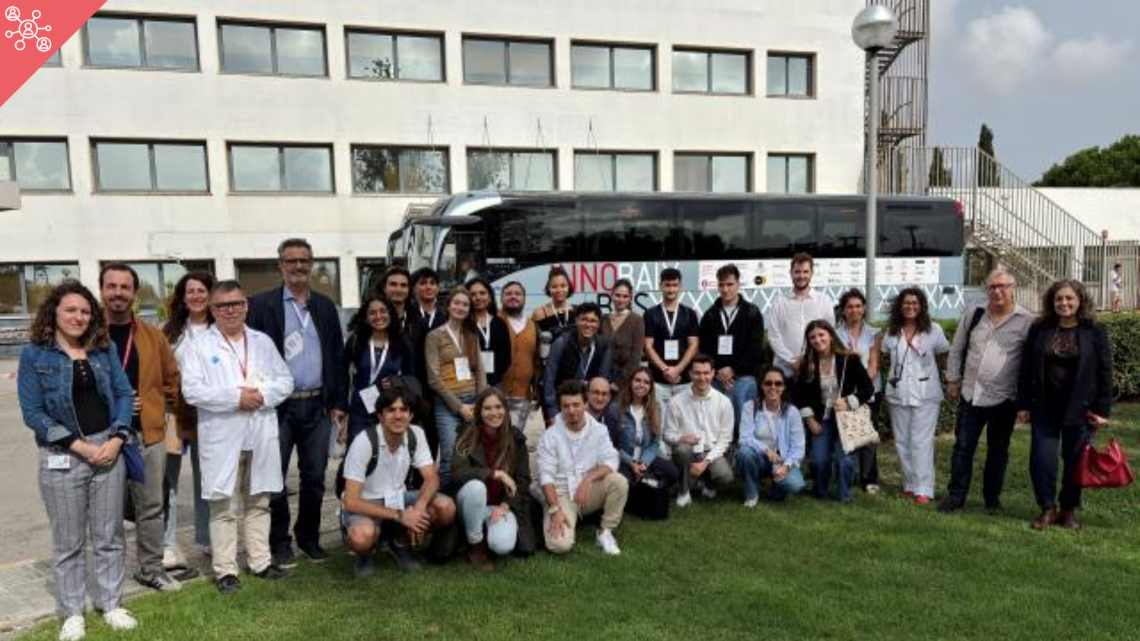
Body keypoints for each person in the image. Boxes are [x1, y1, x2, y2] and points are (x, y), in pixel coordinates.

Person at [18, 280, 139, 639]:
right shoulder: (35, 355)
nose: (79, 316)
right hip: (64, 455)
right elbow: (33, 412)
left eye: (85, 311)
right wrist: (80, 446)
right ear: (53, 312)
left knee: (109, 536)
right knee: (69, 541)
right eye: (70, 309)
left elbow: (121, 393)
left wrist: (118, 437)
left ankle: (112, 604)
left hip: (108, 450)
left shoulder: (103, 350)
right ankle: (72, 612)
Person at [181, 281, 296, 594]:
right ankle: (226, 570)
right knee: (224, 507)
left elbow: (285, 380)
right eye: (222, 305)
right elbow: (191, 390)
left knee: (259, 502)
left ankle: (260, 562)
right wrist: (236, 398)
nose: (230, 310)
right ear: (212, 310)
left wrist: (260, 394)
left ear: (246, 306)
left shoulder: (262, 342)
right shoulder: (199, 345)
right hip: (223, 437)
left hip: (259, 433)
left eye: (236, 303)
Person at [247, 238, 347, 566]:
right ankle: (280, 542)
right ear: (281, 265)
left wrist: (338, 403)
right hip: (279, 408)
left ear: (312, 264)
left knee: (315, 477)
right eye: (291, 261)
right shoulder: (262, 305)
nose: (298, 267)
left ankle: (309, 537)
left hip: (317, 405)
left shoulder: (324, 306)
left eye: (304, 261)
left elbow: (336, 355)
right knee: (274, 478)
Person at [99, 263, 183, 592]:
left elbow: (171, 379)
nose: (118, 293)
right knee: (108, 511)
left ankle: (150, 569)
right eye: (112, 286)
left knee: (151, 505)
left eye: (125, 287)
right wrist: (115, 405)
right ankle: (111, 575)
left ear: (134, 292)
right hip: (102, 436)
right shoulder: (88, 335)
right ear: (102, 290)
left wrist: (158, 407)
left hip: (147, 435)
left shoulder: (152, 335)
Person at [1019, 280, 1112, 531]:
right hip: (1044, 408)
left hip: (1081, 410)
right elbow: (1026, 368)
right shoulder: (1039, 329)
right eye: (1059, 299)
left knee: (1075, 462)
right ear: (1052, 301)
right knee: (1042, 460)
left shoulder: (1095, 331)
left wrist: (1103, 411)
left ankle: (1068, 510)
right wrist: (1023, 404)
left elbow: (1105, 372)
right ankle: (1047, 509)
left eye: (1069, 298)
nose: (1064, 303)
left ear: (1080, 300)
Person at [939, 270, 1034, 514]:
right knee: (962, 448)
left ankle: (992, 500)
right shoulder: (974, 314)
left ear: (1013, 288)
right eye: (992, 287)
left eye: (1002, 286)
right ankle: (956, 497)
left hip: (1004, 399)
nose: (997, 291)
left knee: (998, 451)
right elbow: (957, 348)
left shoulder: (1027, 321)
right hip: (971, 395)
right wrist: (952, 379)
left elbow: (1032, 363)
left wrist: (1025, 401)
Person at [340, 387, 456, 577]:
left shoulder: (415, 434)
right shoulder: (364, 441)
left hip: (399, 498)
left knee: (446, 507)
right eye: (391, 410)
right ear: (380, 415)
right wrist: (400, 516)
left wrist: (419, 507)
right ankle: (366, 552)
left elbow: (432, 478)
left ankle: (399, 542)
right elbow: (351, 501)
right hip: (366, 503)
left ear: (411, 415)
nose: (398, 416)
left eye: (403, 410)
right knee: (362, 536)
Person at [161, 271, 216, 576]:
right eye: (190, 291)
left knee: (208, 478)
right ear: (183, 297)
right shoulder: (169, 332)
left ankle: (208, 537)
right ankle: (168, 543)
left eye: (201, 290)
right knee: (168, 480)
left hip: (208, 414)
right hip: (173, 415)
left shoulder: (220, 329)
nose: (196, 296)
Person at [875, 288, 950, 505]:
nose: (910, 307)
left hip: (926, 394)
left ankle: (924, 489)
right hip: (898, 393)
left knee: (921, 442)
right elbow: (887, 356)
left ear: (922, 306)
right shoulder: (891, 332)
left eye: (915, 303)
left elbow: (943, 356)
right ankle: (909, 485)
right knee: (902, 442)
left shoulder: (933, 330)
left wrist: (945, 378)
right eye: (906, 303)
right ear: (900, 306)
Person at [538, 381, 628, 556]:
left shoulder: (599, 430)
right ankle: (563, 519)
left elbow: (611, 459)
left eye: (576, 404)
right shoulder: (549, 436)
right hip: (561, 495)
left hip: (587, 492)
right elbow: (546, 477)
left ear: (585, 404)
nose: (571, 410)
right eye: (566, 406)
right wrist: (555, 510)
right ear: (560, 408)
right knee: (559, 546)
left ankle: (605, 532)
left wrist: (589, 479)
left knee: (619, 481)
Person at [451, 388, 536, 570]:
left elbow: (523, 480)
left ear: (505, 409)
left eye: (498, 407)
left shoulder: (516, 439)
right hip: (468, 504)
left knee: (502, 546)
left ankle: (484, 533)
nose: (494, 413)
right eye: (487, 408)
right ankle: (476, 547)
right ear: (479, 411)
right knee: (476, 488)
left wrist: (506, 505)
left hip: (496, 506)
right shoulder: (466, 434)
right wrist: (494, 473)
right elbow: (458, 473)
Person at [794, 320, 875, 503]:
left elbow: (867, 388)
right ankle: (821, 492)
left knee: (845, 460)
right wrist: (809, 419)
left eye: (821, 334)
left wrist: (848, 402)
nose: (817, 339)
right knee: (818, 461)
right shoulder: (806, 363)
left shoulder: (850, 359)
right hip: (821, 420)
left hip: (846, 419)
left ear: (831, 335)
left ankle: (844, 496)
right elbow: (798, 395)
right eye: (812, 337)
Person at [425, 286, 487, 489]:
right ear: (449, 305)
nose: (461, 307)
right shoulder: (434, 336)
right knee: (449, 455)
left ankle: (465, 502)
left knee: (471, 454)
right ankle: (445, 505)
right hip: (448, 404)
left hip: (473, 401)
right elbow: (433, 378)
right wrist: (459, 407)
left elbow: (480, 371)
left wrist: (480, 403)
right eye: (457, 303)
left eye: (465, 304)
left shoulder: (472, 335)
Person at [698, 263, 764, 434]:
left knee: (744, 423)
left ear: (738, 284)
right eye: (721, 285)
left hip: (743, 375)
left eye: (729, 284)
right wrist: (718, 370)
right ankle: (719, 453)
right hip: (717, 376)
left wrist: (732, 369)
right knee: (715, 425)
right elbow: (704, 348)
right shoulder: (710, 314)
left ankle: (744, 449)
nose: (725, 289)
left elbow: (755, 348)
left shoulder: (752, 312)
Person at [342, 294, 416, 443]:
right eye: (372, 313)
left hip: (389, 411)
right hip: (359, 411)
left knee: (386, 458)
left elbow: (410, 378)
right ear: (365, 318)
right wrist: (342, 408)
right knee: (357, 456)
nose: (378, 316)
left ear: (390, 314)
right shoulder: (356, 341)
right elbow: (342, 375)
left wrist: (397, 384)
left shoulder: (402, 343)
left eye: (383, 311)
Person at [665, 355, 735, 506]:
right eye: (697, 373)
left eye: (706, 373)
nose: (702, 377)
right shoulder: (675, 402)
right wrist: (681, 438)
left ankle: (707, 483)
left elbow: (725, 439)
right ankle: (684, 491)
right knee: (682, 449)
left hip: (711, 452)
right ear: (690, 374)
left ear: (713, 373)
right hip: (688, 452)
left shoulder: (724, 402)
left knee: (725, 476)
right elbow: (667, 435)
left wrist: (705, 462)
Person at [834, 288, 883, 495]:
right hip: (843, 394)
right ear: (843, 310)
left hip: (869, 391)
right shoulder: (835, 333)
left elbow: (873, 365)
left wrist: (860, 389)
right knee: (847, 432)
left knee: (868, 436)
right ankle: (848, 475)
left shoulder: (874, 333)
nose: (854, 310)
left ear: (863, 308)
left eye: (858, 306)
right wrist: (849, 395)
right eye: (849, 307)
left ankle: (869, 478)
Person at [736, 368, 806, 506]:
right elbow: (744, 438)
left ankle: (776, 490)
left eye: (778, 383)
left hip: (782, 460)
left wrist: (786, 467)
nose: (773, 387)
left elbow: (798, 447)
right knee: (744, 453)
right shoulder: (750, 407)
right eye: (768, 383)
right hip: (759, 458)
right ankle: (751, 494)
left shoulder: (792, 412)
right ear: (762, 386)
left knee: (795, 484)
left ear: (784, 387)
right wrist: (766, 450)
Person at [767, 253, 837, 378]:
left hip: (816, 368)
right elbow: (773, 336)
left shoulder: (824, 300)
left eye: (805, 272)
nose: (801, 276)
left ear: (811, 273)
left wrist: (808, 360)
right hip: (784, 371)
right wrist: (792, 361)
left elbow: (829, 334)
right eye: (797, 272)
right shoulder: (779, 301)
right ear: (791, 273)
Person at [542, 302, 614, 422]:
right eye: (584, 319)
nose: (588, 324)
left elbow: (602, 380)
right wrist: (552, 412)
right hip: (564, 405)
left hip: (590, 405)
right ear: (576, 321)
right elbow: (549, 379)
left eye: (593, 321)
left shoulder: (603, 345)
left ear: (598, 324)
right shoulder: (561, 343)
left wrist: (595, 411)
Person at [643, 267, 701, 408]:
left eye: (674, 285)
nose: (671, 289)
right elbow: (648, 346)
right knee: (659, 426)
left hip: (685, 380)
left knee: (685, 424)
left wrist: (678, 369)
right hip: (658, 381)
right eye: (667, 285)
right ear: (660, 286)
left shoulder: (690, 313)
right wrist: (665, 370)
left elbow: (694, 345)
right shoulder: (650, 314)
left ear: (680, 286)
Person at [615, 367, 679, 491]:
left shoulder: (654, 409)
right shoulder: (617, 408)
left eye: (646, 382)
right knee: (625, 481)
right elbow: (613, 446)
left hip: (645, 457)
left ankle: (644, 484)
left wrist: (644, 463)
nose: (641, 385)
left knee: (672, 474)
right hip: (624, 459)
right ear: (630, 382)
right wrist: (632, 464)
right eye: (637, 380)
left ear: (650, 387)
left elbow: (655, 443)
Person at [498, 281, 541, 434]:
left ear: (524, 299)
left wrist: (536, 390)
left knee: (514, 441)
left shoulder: (533, 326)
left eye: (518, 294)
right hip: (495, 394)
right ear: (501, 298)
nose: (513, 297)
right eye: (508, 294)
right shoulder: (494, 321)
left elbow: (536, 360)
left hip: (522, 396)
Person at [467, 277, 513, 388]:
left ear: (490, 297)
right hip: (468, 384)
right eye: (473, 294)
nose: (478, 297)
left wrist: (493, 379)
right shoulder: (464, 323)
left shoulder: (500, 323)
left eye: (482, 293)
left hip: (495, 383)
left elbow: (506, 357)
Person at [601, 278, 645, 388]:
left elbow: (636, 356)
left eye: (625, 296)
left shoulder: (637, 320)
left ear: (630, 298)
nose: (621, 299)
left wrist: (618, 382)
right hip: (603, 377)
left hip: (626, 380)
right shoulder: (603, 319)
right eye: (617, 295)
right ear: (611, 295)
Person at [378, 265, 413, 337]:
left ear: (409, 289)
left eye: (403, 285)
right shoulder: (373, 319)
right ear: (384, 288)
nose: (398, 289)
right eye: (393, 284)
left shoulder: (418, 322)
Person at [586, 375, 621, 446]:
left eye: (604, 394)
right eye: (596, 392)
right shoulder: (573, 418)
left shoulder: (612, 423)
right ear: (587, 394)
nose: (600, 398)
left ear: (609, 397)